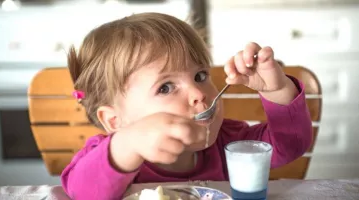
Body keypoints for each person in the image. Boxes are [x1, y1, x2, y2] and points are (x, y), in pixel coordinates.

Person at [61, 12, 312, 200]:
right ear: (115, 121)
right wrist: (126, 144)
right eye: (166, 87)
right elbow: (82, 192)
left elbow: (289, 146)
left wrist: (278, 91)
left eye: (200, 76)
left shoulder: (228, 141)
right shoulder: (112, 155)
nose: (197, 93)